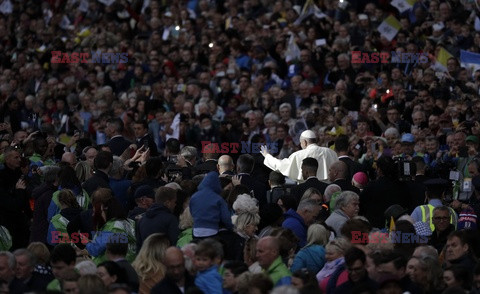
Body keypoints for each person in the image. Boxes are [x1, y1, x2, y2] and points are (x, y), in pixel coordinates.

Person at [261, 130, 338, 181]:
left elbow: (281, 165)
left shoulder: (298, 155)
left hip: (305, 189)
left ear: (304, 142)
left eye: (300, 142)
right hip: (327, 188)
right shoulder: (331, 152)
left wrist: (267, 156)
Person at [86, 192, 136, 264]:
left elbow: (95, 250)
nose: (94, 215)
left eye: (96, 212)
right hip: (128, 264)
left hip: (111, 268)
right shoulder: (129, 222)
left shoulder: (111, 227)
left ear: (104, 209)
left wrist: (86, 242)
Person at [0, 147, 31, 250]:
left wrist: (30, 215)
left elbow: (25, 198)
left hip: (22, 221)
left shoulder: (19, 173)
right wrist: (19, 191)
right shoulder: (2, 176)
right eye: (16, 157)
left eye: (20, 157)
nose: (19, 160)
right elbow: (11, 204)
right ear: (7, 159)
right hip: (8, 222)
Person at [190, 171, 233, 239]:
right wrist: (231, 228)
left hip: (196, 231)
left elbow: (192, 212)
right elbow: (226, 218)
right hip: (212, 231)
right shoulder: (218, 199)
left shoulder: (194, 197)